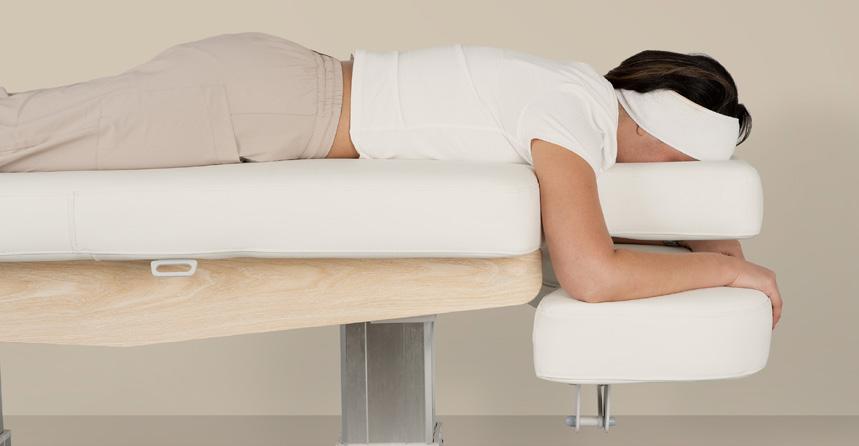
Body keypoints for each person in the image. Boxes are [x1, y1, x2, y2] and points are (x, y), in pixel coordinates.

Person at [0, 32, 782, 328]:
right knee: (19, 135)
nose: (679, 184)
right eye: (684, 169)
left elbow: (696, 217)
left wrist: (735, 263)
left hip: (274, 98)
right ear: (656, 134)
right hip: (255, 102)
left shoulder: (580, 100)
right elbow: (590, 272)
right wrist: (725, 271)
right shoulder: (570, 114)